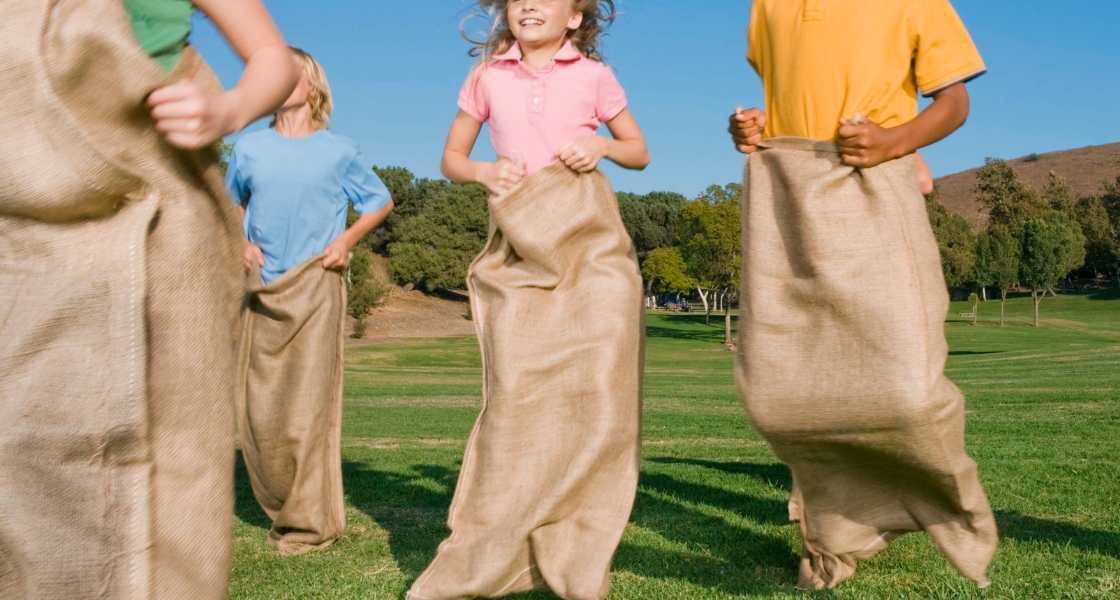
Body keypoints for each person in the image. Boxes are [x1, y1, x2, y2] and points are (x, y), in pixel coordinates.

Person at [0, 0, 297, 597]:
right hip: (24, 221)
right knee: (25, 438)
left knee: (172, 434)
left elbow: (274, 58)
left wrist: (228, 109)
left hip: (161, 210)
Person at [727, 0, 998, 590]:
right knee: (783, 388)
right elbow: (786, 100)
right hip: (788, 192)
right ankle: (832, 539)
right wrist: (750, 130)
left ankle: (938, 506)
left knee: (904, 388)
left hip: (872, 183)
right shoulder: (766, 7)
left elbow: (954, 102)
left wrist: (894, 142)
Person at [406, 1, 648, 598]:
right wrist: (485, 174)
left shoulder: (592, 76)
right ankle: (505, 539)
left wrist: (603, 150)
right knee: (516, 395)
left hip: (588, 243)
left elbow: (638, 150)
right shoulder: (488, 77)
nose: (528, 4)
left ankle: (576, 535)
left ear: (574, 17)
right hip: (520, 245)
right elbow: (451, 159)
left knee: (598, 393)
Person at [226, 47, 393, 556]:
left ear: (313, 85)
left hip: (317, 283)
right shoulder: (248, 149)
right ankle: (280, 500)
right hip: (260, 289)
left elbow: (379, 201)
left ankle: (309, 520)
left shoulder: (338, 150)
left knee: (308, 407)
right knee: (260, 411)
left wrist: (346, 241)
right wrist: (241, 242)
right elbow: (230, 201)